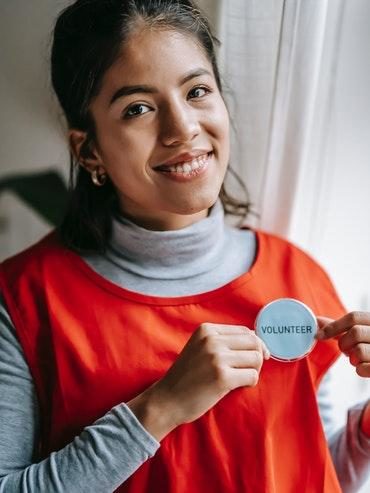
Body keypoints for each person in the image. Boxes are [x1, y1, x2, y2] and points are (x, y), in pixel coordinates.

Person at [0, 0, 369, 491]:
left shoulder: (299, 276)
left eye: (197, 91)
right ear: (89, 150)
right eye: (138, 109)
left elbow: (312, 468)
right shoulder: (23, 301)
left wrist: (365, 431)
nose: (183, 129)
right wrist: (162, 406)